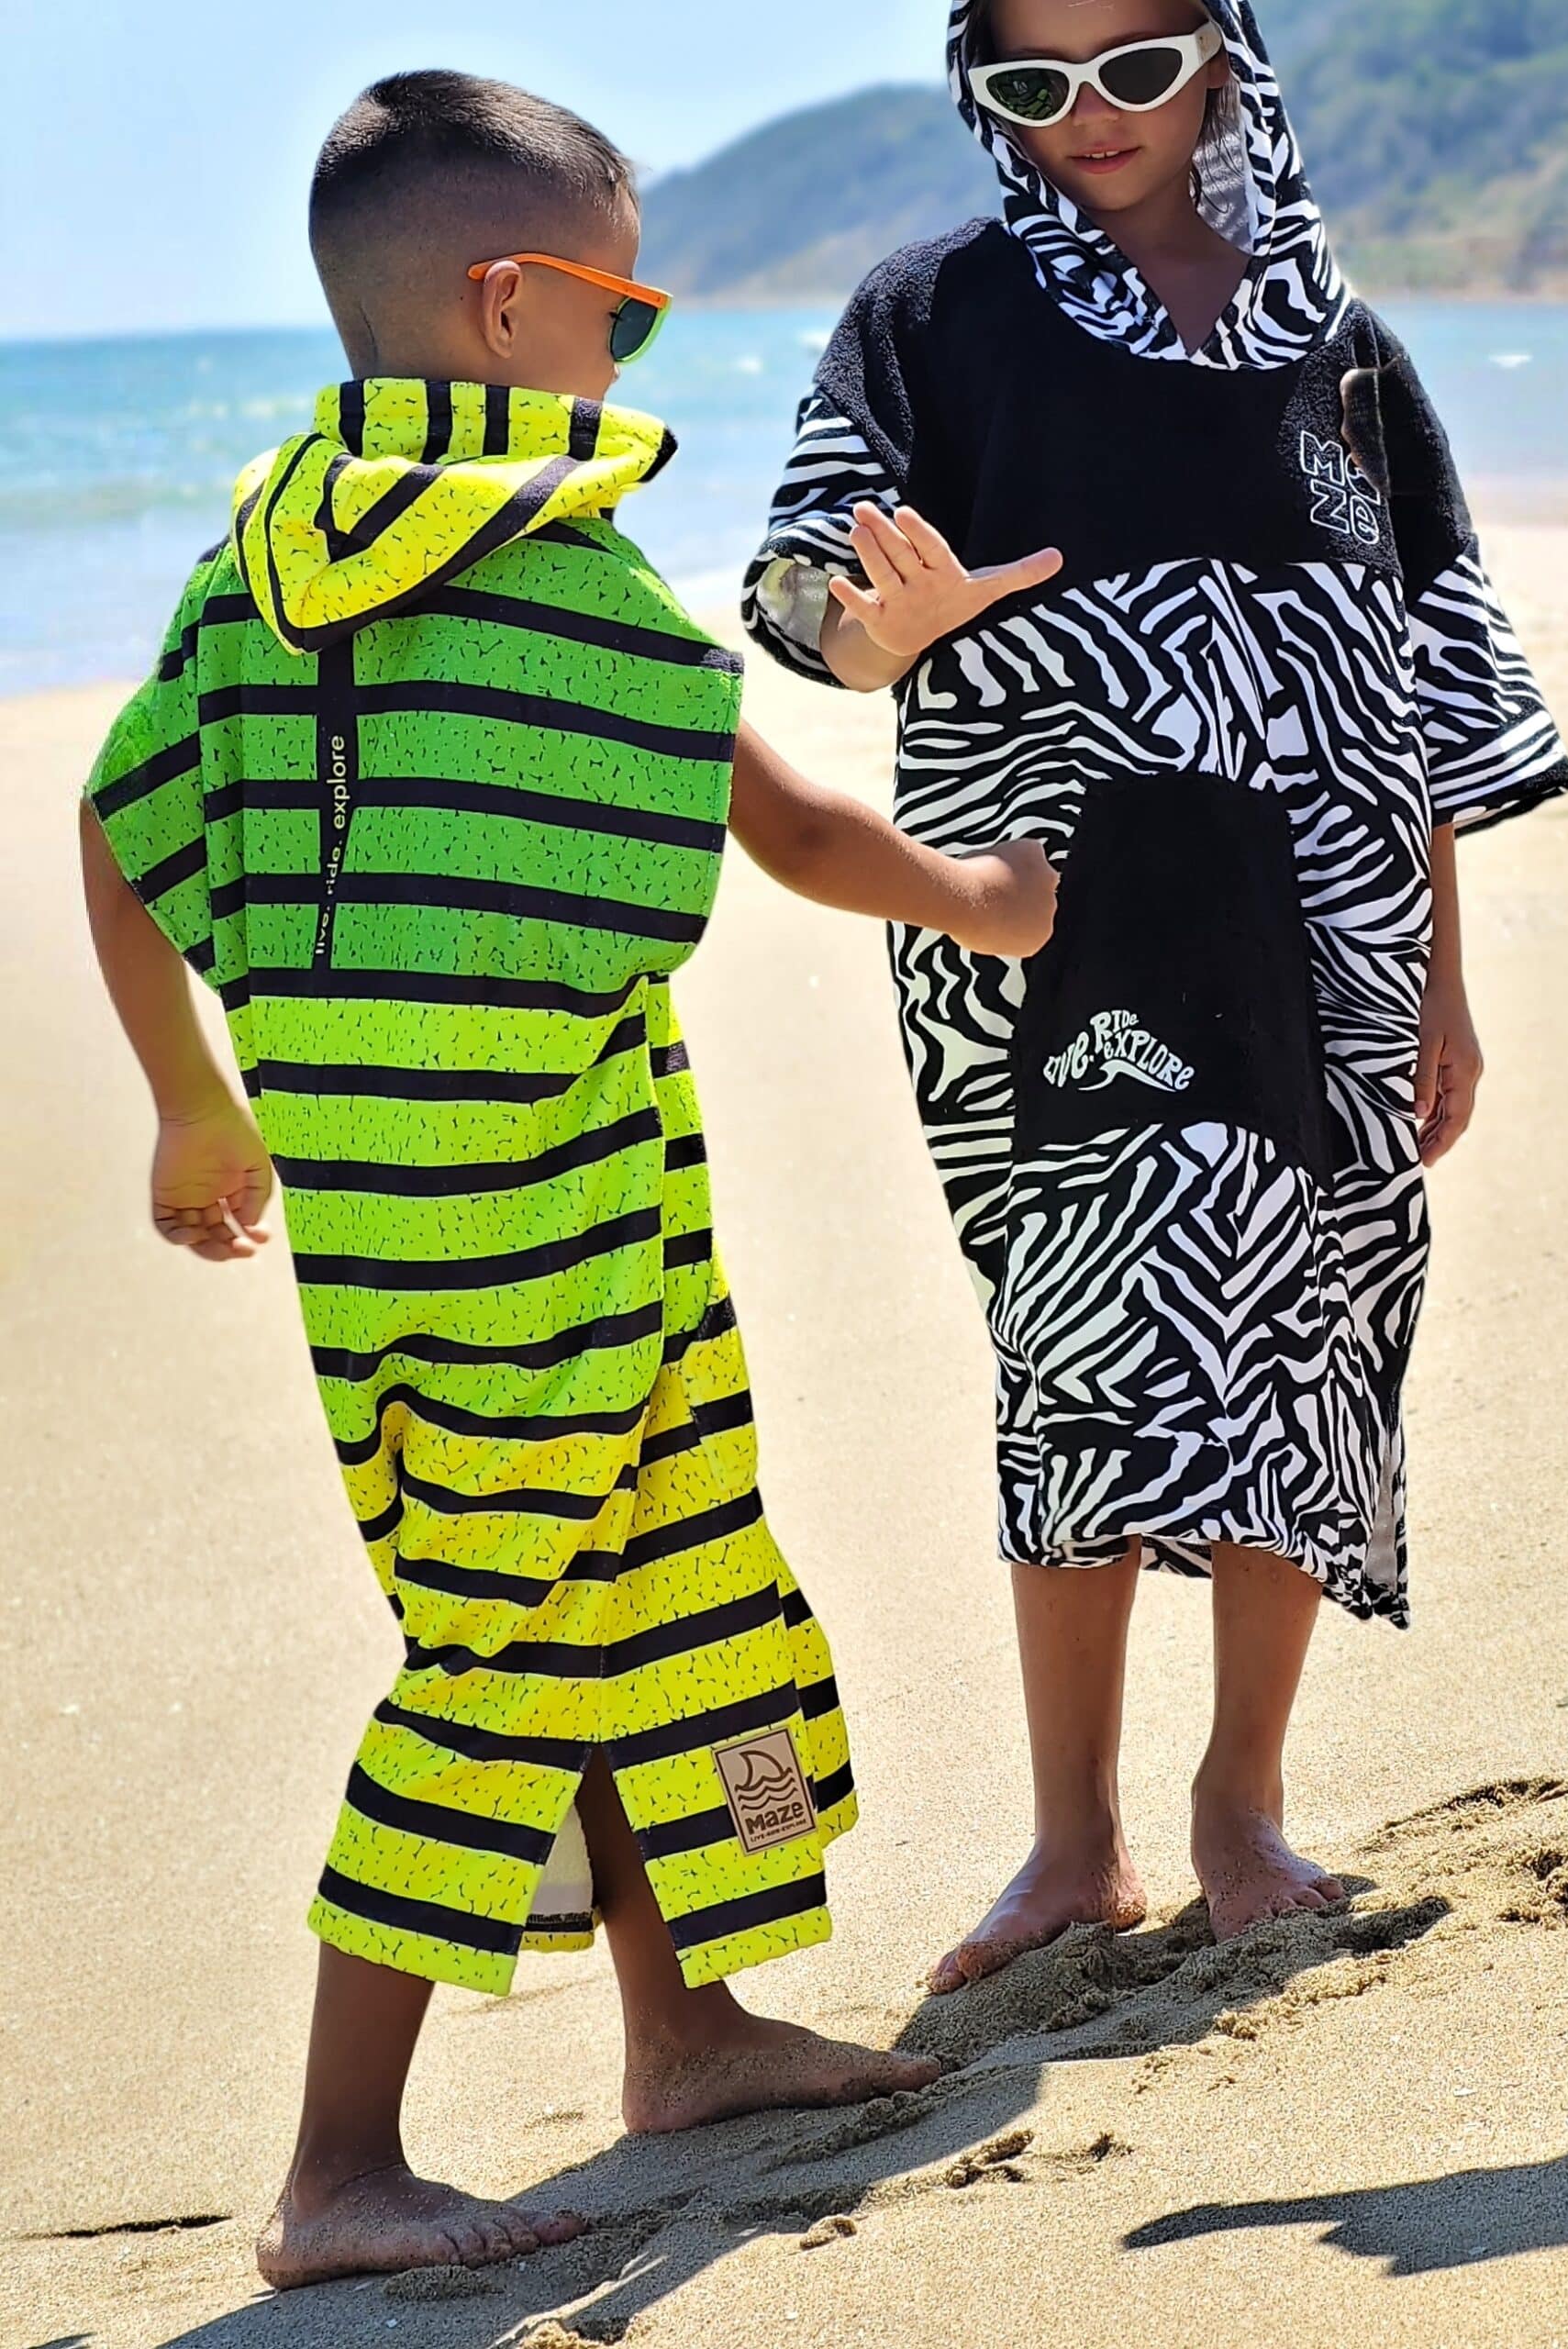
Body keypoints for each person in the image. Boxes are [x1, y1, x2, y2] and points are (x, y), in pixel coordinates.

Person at [79, 69, 1057, 2291]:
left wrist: (191, 1100)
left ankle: (685, 2027)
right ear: (510, 305)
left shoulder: (253, 573)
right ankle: (339, 2163)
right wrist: (982, 898)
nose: (625, 356)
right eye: (623, 312)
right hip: (548, 1211)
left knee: (651, 1573)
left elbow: (122, 829)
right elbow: (779, 823)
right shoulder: (563, 566)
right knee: (502, 1638)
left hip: (394, 1225)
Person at [744, 0, 1568, 1995]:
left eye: (1133, 65)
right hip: (1049, 915)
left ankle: (1240, 1806)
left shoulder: (1341, 346)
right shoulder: (926, 312)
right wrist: (871, 636)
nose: (1089, 117)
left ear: (1225, 55)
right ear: (981, 93)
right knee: (1074, 1357)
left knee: (1311, 1327)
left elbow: (1423, 678)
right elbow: (797, 588)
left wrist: (1445, 979)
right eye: (1031, 85)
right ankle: (1072, 1838)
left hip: (1331, 919)